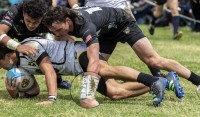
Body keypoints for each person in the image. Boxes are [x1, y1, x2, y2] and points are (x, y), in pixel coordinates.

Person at [43, 6, 200, 107]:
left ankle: (197, 81)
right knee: (105, 71)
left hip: (122, 23)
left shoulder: (85, 26)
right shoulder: (66, 23)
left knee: (153, 60)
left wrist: (87, 93)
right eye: (54, 32)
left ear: (67, 20)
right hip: (105, 32)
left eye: (58, 30)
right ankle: (164, 81)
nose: (57, 35)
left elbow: (93, 60)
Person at [0, 37, 183, 108]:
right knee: (115, 93)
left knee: (106, 70)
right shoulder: (19, 68)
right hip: (80, 69)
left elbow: (49, 71)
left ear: (8, 54)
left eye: (1, 63)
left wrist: (52, 98)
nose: (2, 67)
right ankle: (163, 80)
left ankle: (153, 79)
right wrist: (14, 92)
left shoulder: (30, 46)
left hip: (81, 55)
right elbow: (34, 91)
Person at [0, 0, 70, 89]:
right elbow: (1, 32)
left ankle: (58, 81)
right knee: (2, 58)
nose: (31, 25)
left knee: (48, 53)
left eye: (36, 22)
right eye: (28, 20)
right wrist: (17, 46)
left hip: (30, 35)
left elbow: (61, 34)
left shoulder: (49, 16)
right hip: (11, 31)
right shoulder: (16, 10)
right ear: (24, 13)